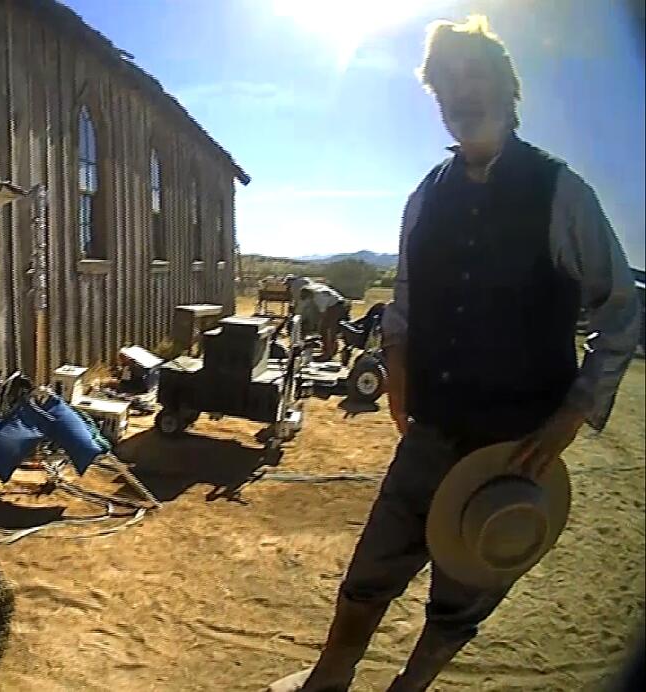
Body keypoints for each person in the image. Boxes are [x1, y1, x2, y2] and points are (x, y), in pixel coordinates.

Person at [270, 15, 639, 692]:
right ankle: (330, 677)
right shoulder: (426, 197)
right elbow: (405, 299)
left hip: (516, 444)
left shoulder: (561, 193)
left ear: (504, 85)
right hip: (433, 430)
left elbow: (621, 309)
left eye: (471, 77)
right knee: (369, 572)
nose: (458, 96)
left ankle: (409, 688)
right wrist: (399, 364)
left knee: (465, 590)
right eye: (443, 86)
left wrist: (574, 413)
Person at [286, 275, 350, 361]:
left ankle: (327, 354)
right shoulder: (314, 288)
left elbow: (323, 314)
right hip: (337, 304)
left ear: (308, 295)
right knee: (328, 330)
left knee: (327, 330)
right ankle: (330, 351)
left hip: (336, 306)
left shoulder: (319, 297)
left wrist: (319, 326)